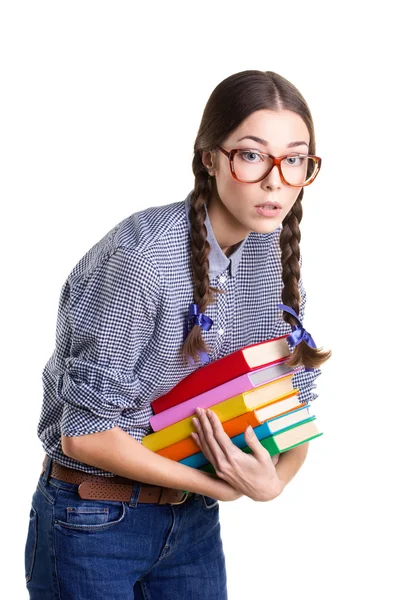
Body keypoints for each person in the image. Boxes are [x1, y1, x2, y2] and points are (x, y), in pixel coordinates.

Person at [24, 69, 331, 599]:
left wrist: (274, 482)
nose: (276, 180)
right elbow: (84, 433)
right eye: (253, 154)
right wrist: (221, 485)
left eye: (295, 158)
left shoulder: (274, 255)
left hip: (192, 524)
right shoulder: (141, 260)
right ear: (210, 158)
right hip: (94, 518)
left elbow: (296, 406)